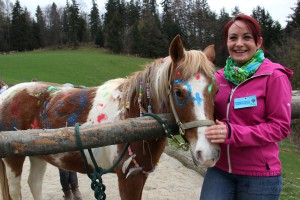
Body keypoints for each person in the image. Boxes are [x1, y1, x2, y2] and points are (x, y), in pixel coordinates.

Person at [200, 14, 293, 200]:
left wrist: (233, 133)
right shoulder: (217, 78)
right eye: (233, 38)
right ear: (226, 42)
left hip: (259, 176)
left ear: (258, 42)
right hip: (219, 170)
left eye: (247, 37)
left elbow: (280, 128)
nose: (239, 43)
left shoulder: (274, 76)